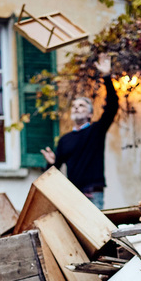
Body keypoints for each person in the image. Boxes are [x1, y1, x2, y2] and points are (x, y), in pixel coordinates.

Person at [40, 54, 119, 210]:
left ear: (90, 114)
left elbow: (112, 107)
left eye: (82, 106)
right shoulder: (65, 140)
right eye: (74, 106)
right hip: (73, 195)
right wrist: (49, 164)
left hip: (93, 195)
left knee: (96, 232)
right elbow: (54, 171)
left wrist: (107, 76)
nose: (76, 108)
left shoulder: (96, 130)